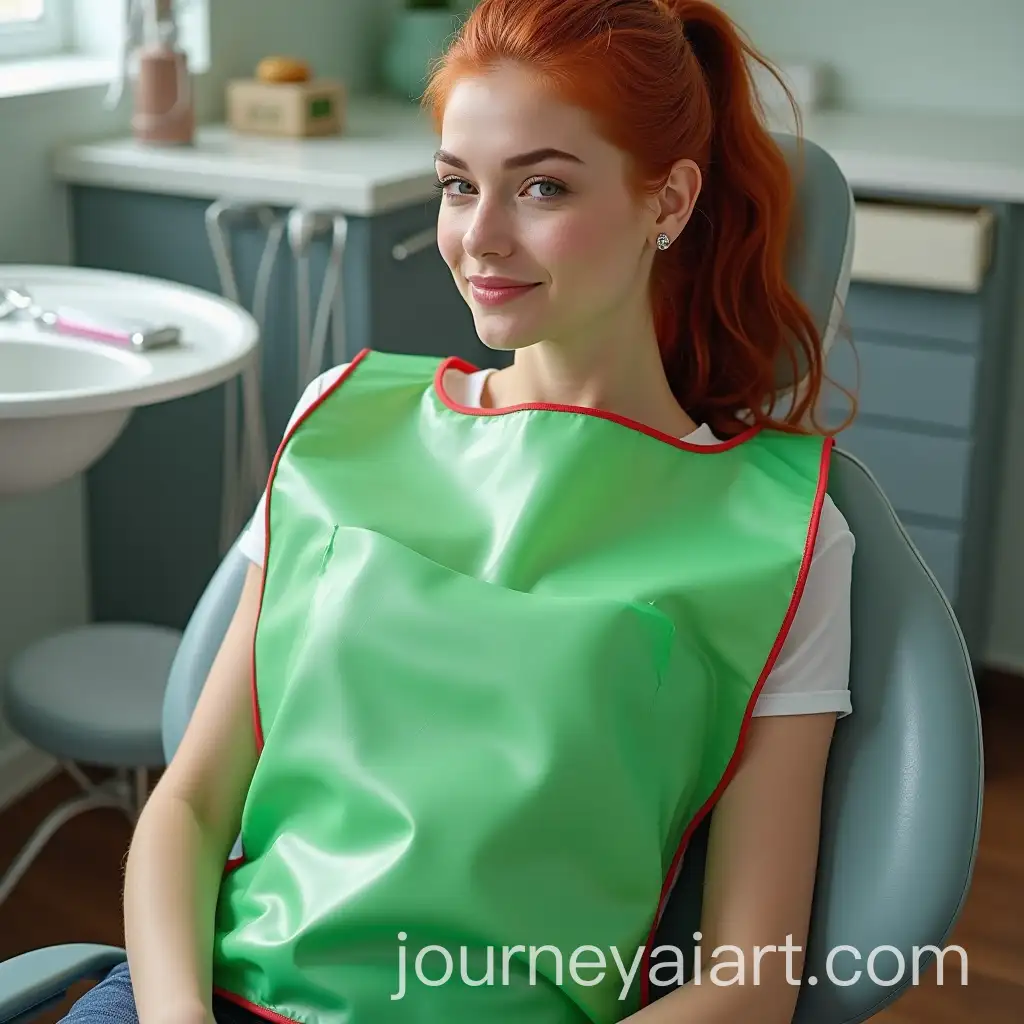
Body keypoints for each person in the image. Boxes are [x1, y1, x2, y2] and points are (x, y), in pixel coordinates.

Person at [60, 1, 855, 1023]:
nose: (479, 238)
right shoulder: (341, 419)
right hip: (208, 997)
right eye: (456, 185)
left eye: (541, 186)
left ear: (668, 199)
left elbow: (753, 980)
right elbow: (191, 802)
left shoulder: (781, 537)